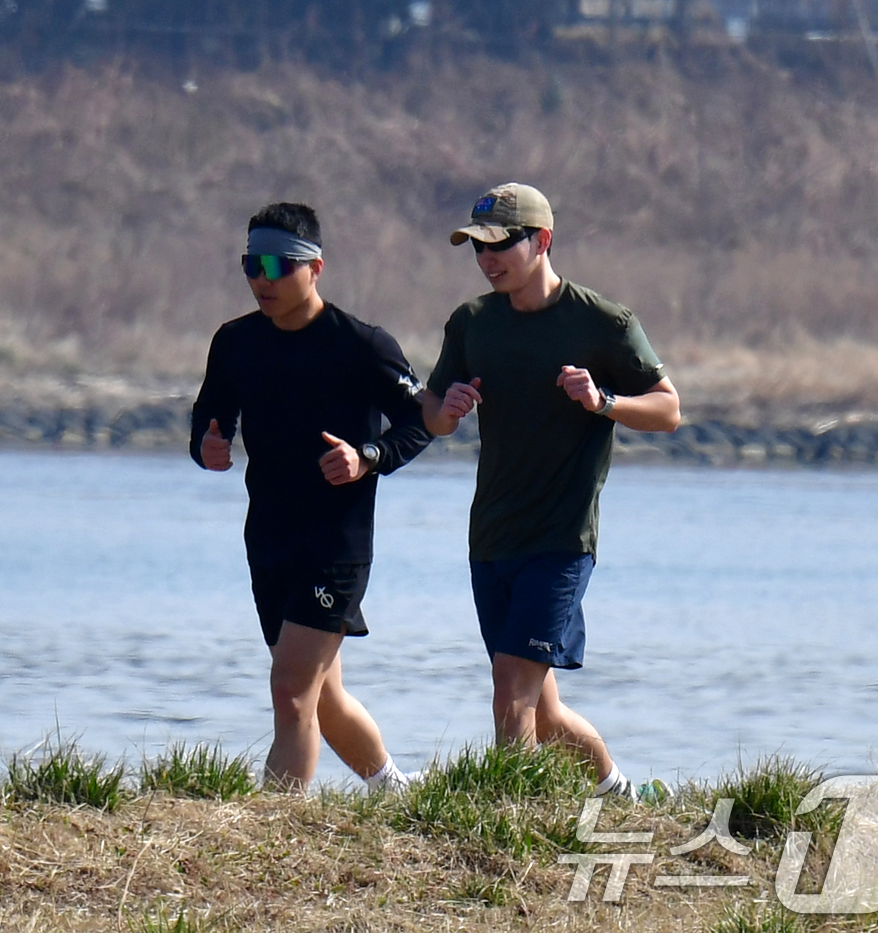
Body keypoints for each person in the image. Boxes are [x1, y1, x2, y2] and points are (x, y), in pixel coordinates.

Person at [422, 183, 681, 800]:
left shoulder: (603, 323)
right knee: (542, 711)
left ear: (541, 241)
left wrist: (603, 401)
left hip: (561, 541)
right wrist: (448, 409)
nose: (487, 260)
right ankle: (621, 794)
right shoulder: (472, 324)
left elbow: (669, 411)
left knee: (511, 686)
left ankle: (508, 823)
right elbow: (432, 414)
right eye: (476, 249)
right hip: (491, 537)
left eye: (499, 245)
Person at [191, 202, 433, 794]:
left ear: (315, 268)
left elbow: (421, 421)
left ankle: (276, 831)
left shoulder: (363, 345)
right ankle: (393, 788)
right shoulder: (236, 342)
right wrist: (207, 446)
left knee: (290, 688)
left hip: (336, 545)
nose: (262, 279)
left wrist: (367, 457)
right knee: (322, 695)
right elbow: (208, 415)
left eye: (277, 265)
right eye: (252, 265)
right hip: (268, 539)